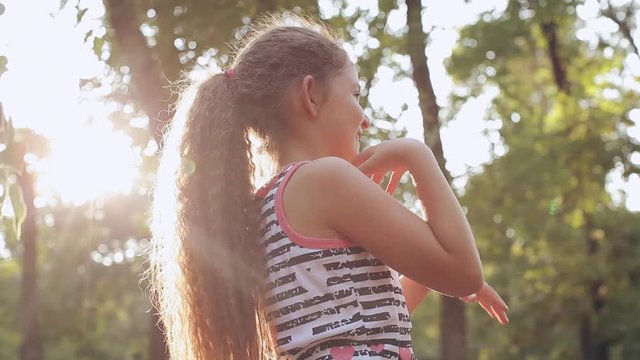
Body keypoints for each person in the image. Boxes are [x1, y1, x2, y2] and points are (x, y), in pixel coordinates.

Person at [149, 12, 508, 360]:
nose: (365, 118)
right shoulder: (325, 179)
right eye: (355, 94)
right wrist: (418, 155)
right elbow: (464, 274)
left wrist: (428, 272)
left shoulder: (261, 210)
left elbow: (359, 322)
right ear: (311, 94)